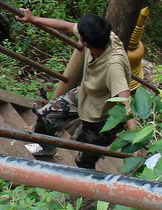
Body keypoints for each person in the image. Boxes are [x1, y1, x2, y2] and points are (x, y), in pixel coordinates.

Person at [16, 9, 138, 169]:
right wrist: (33, 19)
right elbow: (67, 26)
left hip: (102, 117)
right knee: (47, 115)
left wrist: (136, 139)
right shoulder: (102, 37)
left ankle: (80, 190)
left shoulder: (114, 66)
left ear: (85, 43)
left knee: (84, 159)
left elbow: (125, 102)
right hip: (84, 94)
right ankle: (44, 148)